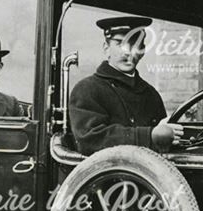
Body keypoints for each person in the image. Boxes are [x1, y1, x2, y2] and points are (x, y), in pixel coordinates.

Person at [68, 16, 183, 154]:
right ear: (106, 48)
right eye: (120, 43)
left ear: (142, 51)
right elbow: (90, 140)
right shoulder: (87, 90)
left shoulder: (150, 94)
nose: (127, 51)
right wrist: (149, 135)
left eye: (134, 44)